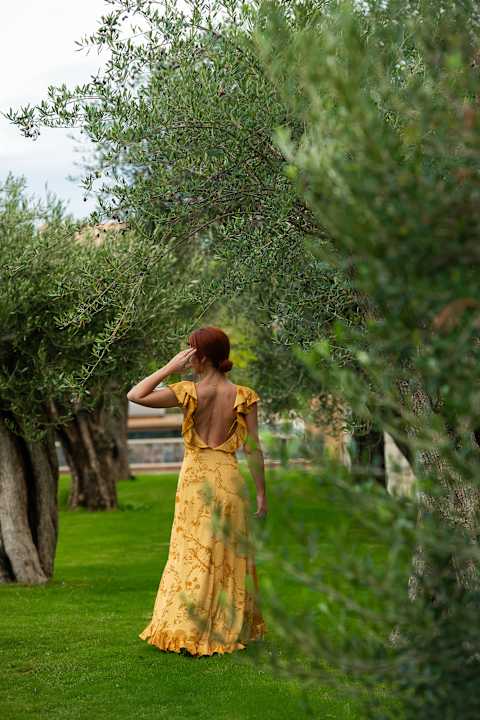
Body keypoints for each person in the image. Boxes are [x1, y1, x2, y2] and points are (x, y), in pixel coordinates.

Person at [127, 326, 268, 656]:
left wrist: (169, 368)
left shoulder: (188, 391)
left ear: (202, 357)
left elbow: (135, 395)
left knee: (192, 554)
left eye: (191, 351)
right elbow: (253, 449)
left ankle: (190, 629)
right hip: (229, 481)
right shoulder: (244, 395)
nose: (187, 357)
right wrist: (262, 494)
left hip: (195, 482)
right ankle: (223, 626)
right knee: (226, 556)